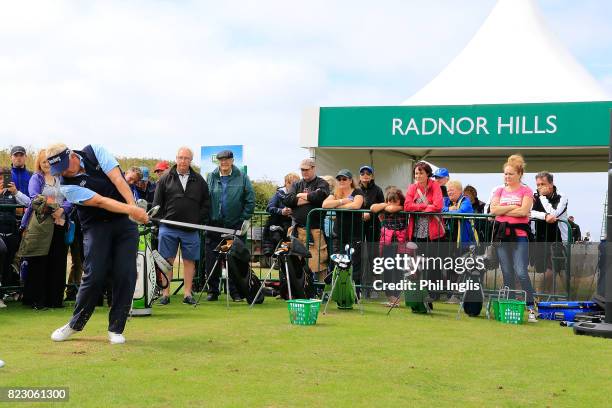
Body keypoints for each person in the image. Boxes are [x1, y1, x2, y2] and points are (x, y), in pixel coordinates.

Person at [46, 143, 148, 344]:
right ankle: (75, 324)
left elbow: (118, 179)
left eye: (65, 166)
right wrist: (132, 210)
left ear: (72, 155)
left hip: (124, 223)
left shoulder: (95, 152)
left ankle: (116, 328)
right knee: (94, 274)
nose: (64, 171)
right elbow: (101, 201)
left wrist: (132, 207)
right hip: (96, 226)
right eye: (60, 170)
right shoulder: (66, 185)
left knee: (126, 273)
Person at [153, 147, 210, 305]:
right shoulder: (165, 179)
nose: (183, 161)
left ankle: (187, 294)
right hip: (168, 227)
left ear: (191, 160)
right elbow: (157, 204)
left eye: (186, 158)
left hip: (190, 229)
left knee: (189, 261)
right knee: (167, 261)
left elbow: (206, 203)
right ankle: (165, 294)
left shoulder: (199, 180)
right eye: (180, 157)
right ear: (176, 159)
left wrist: (198, 219)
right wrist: (161, 221)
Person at [19, 149, 73, 309]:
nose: (47, 165)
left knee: (58, 261)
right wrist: (54, 209)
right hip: (41, 225)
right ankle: (37, 300)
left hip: (60, 224)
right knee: (39, 261)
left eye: (49, 161)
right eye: (43, 162)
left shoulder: (63, 178)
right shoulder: (36, 178)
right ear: (39, 164)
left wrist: (62, 210)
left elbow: (71, 197)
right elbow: (34, 198)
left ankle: (55, 300)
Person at [489, 154, 537, 322]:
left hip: (520, 236)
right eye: (505, 174)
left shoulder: (526, 190)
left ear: (519, 174)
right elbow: (493, 210)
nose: (507, 177)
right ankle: (508, 307)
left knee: (521, 272)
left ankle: (531, 307)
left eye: (511, 174)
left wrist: (503, 209)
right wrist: (511, 206)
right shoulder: (499, 190)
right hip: (502, 236)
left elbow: (524, 212)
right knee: (507, 273)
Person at [205, 149, 254, 301]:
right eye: (221, 160)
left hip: (233, 226)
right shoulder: (211, 177)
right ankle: (213, 291)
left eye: (227, 159)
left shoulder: (242, 177)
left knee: (232, 259)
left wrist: (242, 220)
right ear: (218, 161)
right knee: (212, 259)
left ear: (232, 161)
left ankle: (235, 292)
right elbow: (205, 199)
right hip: (214, 226)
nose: (224, 162)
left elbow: (250, 200)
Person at [283, 158, 330, 282]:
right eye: (302, 170)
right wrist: (310, 198)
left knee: (319, 262)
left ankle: (321, 290)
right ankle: (299, 288)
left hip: (315, 230)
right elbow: (287, 200)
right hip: (297, 229)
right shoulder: (297, 184)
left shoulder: (322, 183)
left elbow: (320, 196)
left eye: (306, 169)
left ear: (313, 168)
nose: (304, 172)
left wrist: (299, 196)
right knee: (295, 261)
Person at [404, 161, 445, 298]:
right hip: (416, 230)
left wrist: (420, 207)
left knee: (433, 262)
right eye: (416, 173)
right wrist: (424, 208)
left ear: (428, 174)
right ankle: (418, 290)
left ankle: (434, 293)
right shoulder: (412, 188)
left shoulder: (435, 186)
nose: (418, 175)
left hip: (432, 231)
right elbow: (407, 206)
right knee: (417, 262)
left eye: (421, 172)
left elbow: (438, 205)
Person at [323, 169, 365, 288]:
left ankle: (356, 290)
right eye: (339, 179)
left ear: (350, 180)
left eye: (344, 179)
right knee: (337, 261)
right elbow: (325, 205)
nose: (341, 181)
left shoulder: (357, 191)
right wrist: (342, 201)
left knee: (354, 262)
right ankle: (339, 290)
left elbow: (356, 205)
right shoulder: (335, 192)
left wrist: (337, 205)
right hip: (339, 232)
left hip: (354, 232)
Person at [530, 171, 569, 294]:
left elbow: (554, 213)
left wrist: (542, 198)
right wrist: (545, 216)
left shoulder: (562, 196)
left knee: (555, 270)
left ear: (551, 184)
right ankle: (544, 301)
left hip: (558, 240)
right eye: (538, 184)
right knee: (544, 271)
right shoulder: (535, 196)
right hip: (541, 239)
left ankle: (568, 296)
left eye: (542, 184)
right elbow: (530, 212)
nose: (539, 187)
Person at [370, 186, 406, 307]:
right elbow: (373, 208)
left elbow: (392, 208)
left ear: (400, 200)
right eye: (389, 200)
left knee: (398, 271)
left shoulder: (404, 209)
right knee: (387, 270)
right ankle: (391, 297)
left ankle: (396, 297)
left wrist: (393, 207)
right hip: (387, 244)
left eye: (394, 200)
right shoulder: (385, 207)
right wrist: (387, 205)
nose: (391, 204)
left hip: (400, 244)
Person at [443, 180, 475, 303]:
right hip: (449, 240)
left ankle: (457, 295)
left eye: (452, 190)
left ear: (460, 191)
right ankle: (451, 294)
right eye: (448, 190)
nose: (449, 192)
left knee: (461, 268)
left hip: (463, 241)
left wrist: (449, 212)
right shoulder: (446, 200)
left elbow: (461, 212)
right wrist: (451, 209)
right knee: (450, 267)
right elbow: (439, 209)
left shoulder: (465, 200)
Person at [0, 171, 30, 296]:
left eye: (4, 179)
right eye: (0, 179)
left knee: (8, 264)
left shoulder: (13, 193)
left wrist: (16, 192)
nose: (2, 181)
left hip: (12, 232)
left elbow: (29, 203)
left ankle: (6, 292)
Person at [263, 173, 300, 256]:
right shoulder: (278, 194)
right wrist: (281, 211)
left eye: (296, 184)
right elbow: (269, 208)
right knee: (281, 249)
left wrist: (294, 212)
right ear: (286, 183)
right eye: (291, 183)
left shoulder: (299, 195)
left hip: (294, 227)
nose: (293, 186)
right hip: (278, 227)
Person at [358, 165, 384, 243]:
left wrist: (370, 215)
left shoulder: (378, 190)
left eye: (368, 173)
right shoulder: (356, 189)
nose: (365, 175)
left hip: (373, 223)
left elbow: (382, 206)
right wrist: (360, 215)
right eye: (362, 173)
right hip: (358, 223)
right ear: (359, 176)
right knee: (357, 247)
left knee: (373, 248)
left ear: (372, 176)